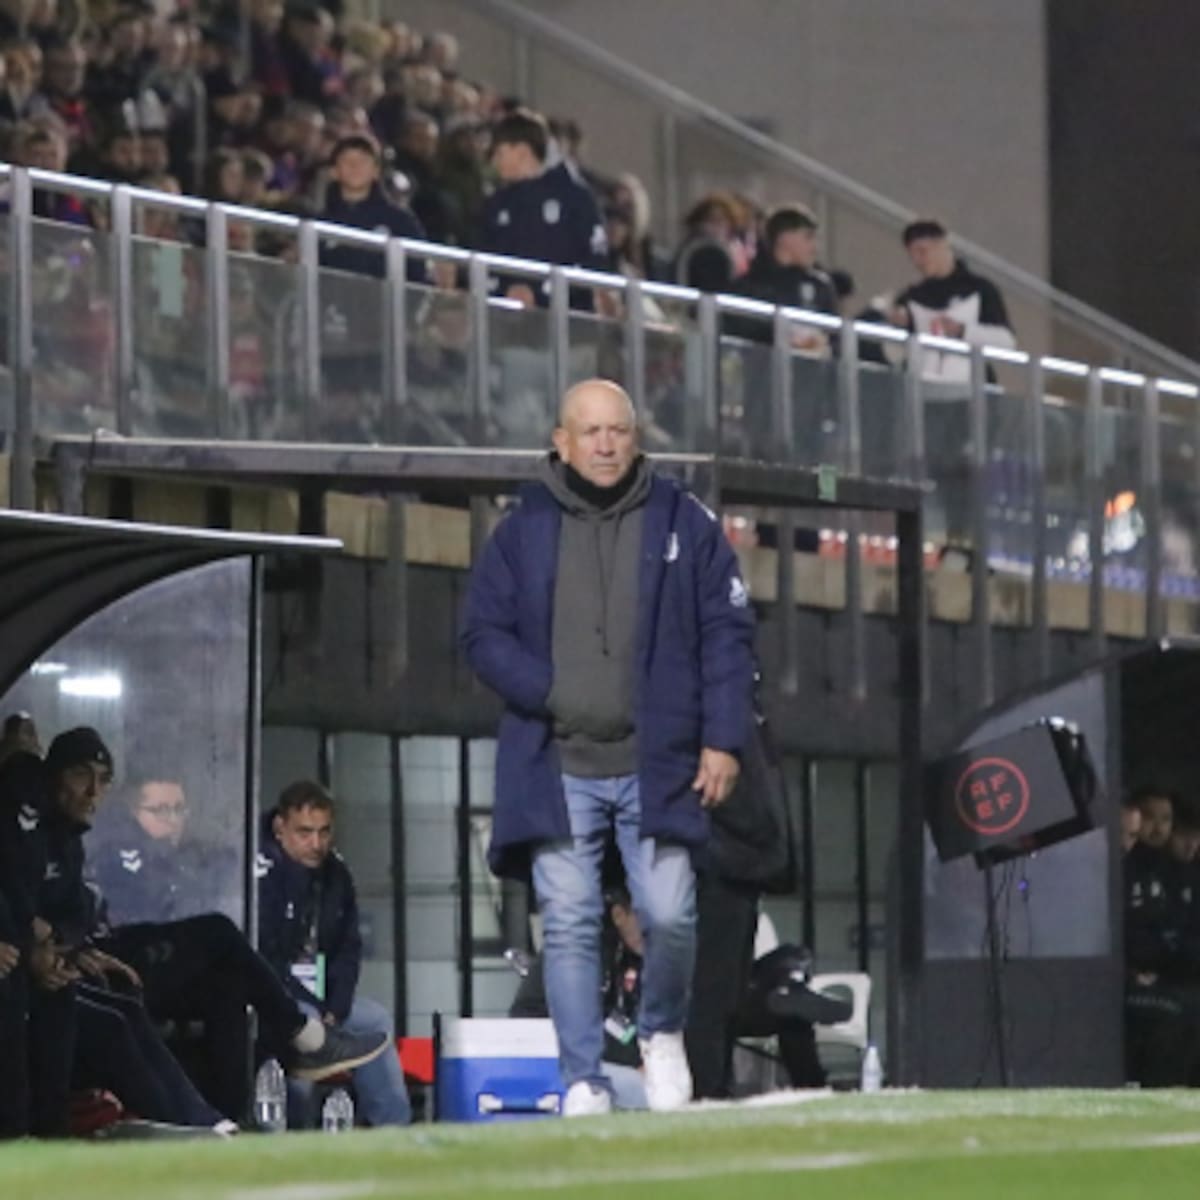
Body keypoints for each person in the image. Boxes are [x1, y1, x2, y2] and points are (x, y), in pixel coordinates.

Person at [461, 377, 756, 1116]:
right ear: (560, 442)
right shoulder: (522, 528)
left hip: (659, 765)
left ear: (635, 437)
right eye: (588, 431)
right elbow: (479, 634)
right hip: (556, 764)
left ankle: (660, 1034)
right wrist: (551, 688)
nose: (603, 444)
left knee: (670, 913)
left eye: (617, 431)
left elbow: (729, 634)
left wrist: (723, 739)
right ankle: (584, 1078)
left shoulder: (684, 520)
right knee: (566, 923)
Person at [0, 728, 391, 1125]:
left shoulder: (82, 839)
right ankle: (297, 1040)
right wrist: (44, 942)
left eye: (102, 781)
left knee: (230, 985)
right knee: (216, 935)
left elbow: (72, 910)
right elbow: (35, 898)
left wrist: (64, 941)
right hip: (106, 960)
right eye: (82, 776)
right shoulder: (97, 844)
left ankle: (223, 1122)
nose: (92, 792)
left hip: (94, 959)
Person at [258, 780, 411, 1127]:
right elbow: (265, 958)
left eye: (324, 832)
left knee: (375, 1020)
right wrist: (314, 1010)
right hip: (273, 998)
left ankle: (394, 1130)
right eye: (305, 832)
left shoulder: (336, 874)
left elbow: (348, 947)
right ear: (281, 829)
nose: (317, 844)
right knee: (303, 1020)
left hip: (323, 999)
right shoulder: (260, 874)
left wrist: (336, 1008)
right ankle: (294, 1130)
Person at [509, 883, 648, 1111]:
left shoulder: (633, 955)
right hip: (551, 1060)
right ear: (619, 915)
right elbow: (593, 1021)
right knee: (645, 1090)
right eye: (643, 919)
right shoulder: (588, 951)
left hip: (594, 1059)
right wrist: (636, 1062)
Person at [479, 108, 607, 308]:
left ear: (522, 152)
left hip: (568, 325)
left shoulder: (574, 197)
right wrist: (505, 291)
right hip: (504, 325)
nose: (495, 162)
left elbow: (594, 258)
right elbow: (483, 257)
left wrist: (544, 292)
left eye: (500, 153)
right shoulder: (496, 204)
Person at [1123, 788, 1200, 1086]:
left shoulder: (1181, 873)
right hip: (1138, 978)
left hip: (1172, 973)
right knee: (1178, 1010)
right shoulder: (1123, 869)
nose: (1158, 828)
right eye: (1150, 818)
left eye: (1165, 819)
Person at [88, 777, 238, 926]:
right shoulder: (112, 861)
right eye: (161, 810)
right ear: (134, 813)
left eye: (179, 809)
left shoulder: (201, 860)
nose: (173, 819)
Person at [881, 217, 1016, 384]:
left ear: (943, 245)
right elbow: (893, 355)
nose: (918, 261)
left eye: (923, 251)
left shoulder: (980, 290)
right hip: (924, 390)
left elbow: (1006, 343)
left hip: (972, 389)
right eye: (912, 255)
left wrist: (962, 331)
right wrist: (898, 328)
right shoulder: (910, 298)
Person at [319, 132, 425, 278]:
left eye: (363, 161)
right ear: (334, 171)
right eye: (347, 161)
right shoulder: (320, 223)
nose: (355, 167)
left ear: (376, 171)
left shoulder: (400, 221)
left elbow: (417, 272)